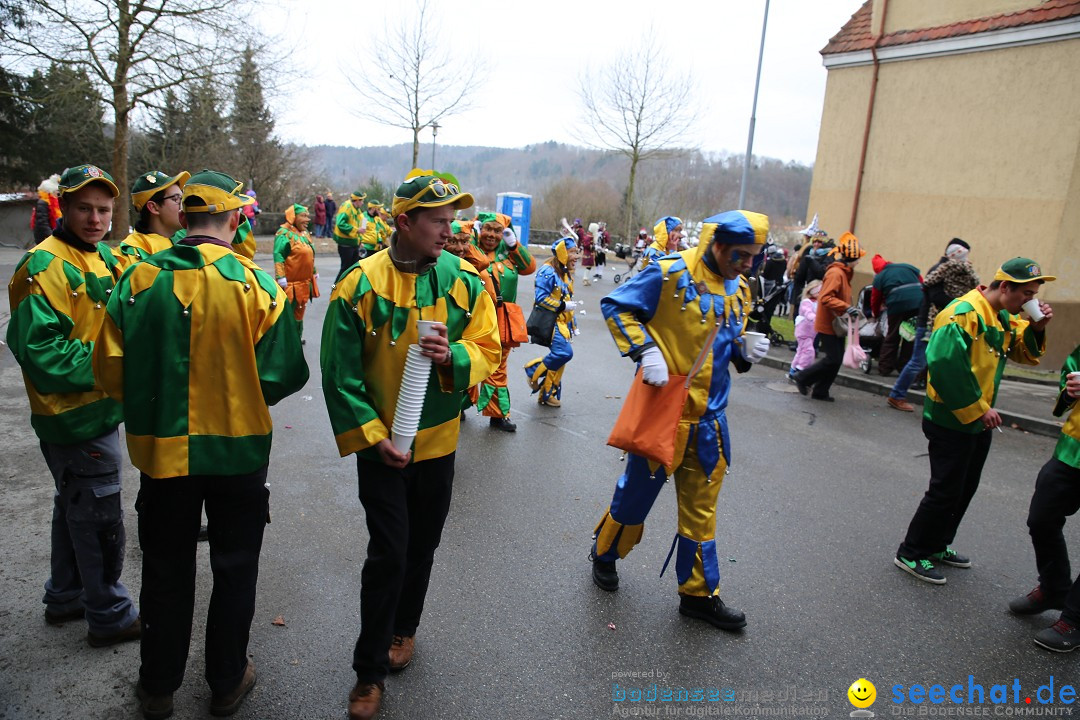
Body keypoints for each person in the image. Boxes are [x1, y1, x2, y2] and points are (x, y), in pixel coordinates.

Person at [94, 169, 309, 719]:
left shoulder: (137, 280)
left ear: (183, 218)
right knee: (236, 567)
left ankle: (159, 685)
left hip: (163, 454)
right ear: (235, 219)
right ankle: (226, 679)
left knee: (165, 568)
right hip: (238, 454)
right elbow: (283, 373)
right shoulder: (258, 285)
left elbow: (108, 368)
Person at [320, 170, 500, 720]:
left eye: (452, 221)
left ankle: (406, 628)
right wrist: (375, 438)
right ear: (404, 221)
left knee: (421, 547)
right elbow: (338, 372)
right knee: (389, 553)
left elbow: (489, 345)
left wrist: (457, 358)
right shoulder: (358, 284)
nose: (450, 231)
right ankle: (368, 672)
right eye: (439, 222)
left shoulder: (465, 281)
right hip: (382, 450)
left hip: (440, 446)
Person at [588, 210, 772, 630]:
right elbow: (617, 306)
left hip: (711, 424)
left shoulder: (739, 288)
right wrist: (644, 351)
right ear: (716, 244)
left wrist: (745, 350)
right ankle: (604, 553)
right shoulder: (669, 273)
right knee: (635, 498)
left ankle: (699, 596)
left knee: (701, 513)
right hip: (665, 415)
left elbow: (727, 347)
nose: (747, 266)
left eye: (754, 258)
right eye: (741, 256)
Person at [7, 163, 140, 650]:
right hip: (72, 416)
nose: (95, 218)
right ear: (64, 206)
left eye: (103, 209)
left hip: (99, 409)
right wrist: (117, 367)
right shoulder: (44, 265)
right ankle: (110, 615)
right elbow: (41, 352)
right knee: (100, 516)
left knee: (74, 506)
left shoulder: (103, 258)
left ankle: (66, 596)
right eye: (84, 208)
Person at [893, 257, 1053, 584]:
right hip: (952, 417)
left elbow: (1026, 354)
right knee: (945, 489)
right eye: (1027, 294)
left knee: (964, 487)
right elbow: (945, 364)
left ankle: (937, 545)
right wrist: (979, 408)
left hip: (977, 420)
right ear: (1005, 286)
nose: (1030, 301)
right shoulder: (963, 313)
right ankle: (911, 552)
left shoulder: (1003, 315)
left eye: (1034, 295)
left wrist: (1037, 326)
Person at [1009, 345, 1080, 652]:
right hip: (1072, 450)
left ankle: (1075, 619)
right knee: (1041, 518)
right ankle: (1054, 588)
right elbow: (1070, 373)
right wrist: (1070, 391)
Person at [888, 239, 978, 411]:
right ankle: (896, 395)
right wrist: (961, 304)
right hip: (929, 323)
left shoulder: (955, 271)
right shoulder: (940, 270)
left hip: (940, 323)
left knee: (940, 363)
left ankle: (940, 402)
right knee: (918, 362)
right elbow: (936, 297)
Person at [472, 212, 536, 431]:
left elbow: (529, 267)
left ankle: (497, 415)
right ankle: (457, 407)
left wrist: (513, 244)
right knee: (466, 362)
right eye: (487, 229)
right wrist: (470, 234)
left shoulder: (508, 254)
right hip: (472, 318)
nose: (491, 235)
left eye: (497, 230)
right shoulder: (470, 249)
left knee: (498, 366)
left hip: (501, 319)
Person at [793, 232, 865, 402]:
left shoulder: (843, 272)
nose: (859, 262)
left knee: (836, 360)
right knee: (833, 359)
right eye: (858, 258)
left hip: (836, 323)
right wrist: (846, 307)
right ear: (851, 258)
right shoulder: (836, 273)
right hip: (829, 323)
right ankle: (803, 377)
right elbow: (825, 298)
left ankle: (820, 391)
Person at [523, 237, 580, 408]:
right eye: (572, 252)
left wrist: (574, 325)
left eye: (577, 252)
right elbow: (541, 299)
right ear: (563, 252)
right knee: (564, 353)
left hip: (564, 324)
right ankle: (533, 371)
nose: (576, 256)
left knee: (560, 361)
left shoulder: (565, 273)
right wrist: (562, 305)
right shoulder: (547, 271)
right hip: (550, 322)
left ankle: (547, 394)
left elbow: (569, 300)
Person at [115, 170, 190, 270]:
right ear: (153, 207)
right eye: (176, 199)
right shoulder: (129, 255)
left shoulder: (189, 237)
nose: (183, 205)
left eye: (183, 197)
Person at [870, 254, 923, 376]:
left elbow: (875, 298)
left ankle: (885, 368)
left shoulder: (880, 276)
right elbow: (921, 282)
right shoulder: (908, 267)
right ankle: (904, 367)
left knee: (892, 336)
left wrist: (876, 313)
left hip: (896, 305)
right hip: (918, 304)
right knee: (910, 336)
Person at [274, 203, 319, 344]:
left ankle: (296, 338)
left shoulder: (304, 234)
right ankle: (284, 342)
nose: (308, 219)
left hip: (304, 283)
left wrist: (314, 271)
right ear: (293, 217)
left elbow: (309, 255)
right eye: (303, 216)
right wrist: (280, 277)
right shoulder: (284, 234)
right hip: (290, 285)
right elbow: (279, 256)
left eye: (308, 216)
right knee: (287, 315)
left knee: (299, 313)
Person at [333, 189, 368, 279]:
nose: (362, 203)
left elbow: (359, 224)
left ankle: (348, 290)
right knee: (345, 269)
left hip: (354, 243)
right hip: (345, 244)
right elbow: (340, 223)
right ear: (357, 200)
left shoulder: (357, 209)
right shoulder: (347, 207)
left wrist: (360, 241)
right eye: (361, 200)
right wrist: (356, 230)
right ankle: (335, 288)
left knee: (352, 268)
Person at [790, 280, 821, 378]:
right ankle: (800, 370)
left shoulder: (817, 303)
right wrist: (814, 318)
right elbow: (808, 312)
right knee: (808, 351)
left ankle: (793, 370)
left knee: (801, 351)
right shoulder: (806, 302)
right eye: (818, 292)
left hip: (811, 332)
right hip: (804, 331)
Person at [32, 174, 62, 242]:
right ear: (50, 191)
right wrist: (53, 236)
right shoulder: (43, 203)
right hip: (44, 238)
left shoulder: (55, 203)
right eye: (56, 191)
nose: (58, 194)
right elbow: (42, 223)